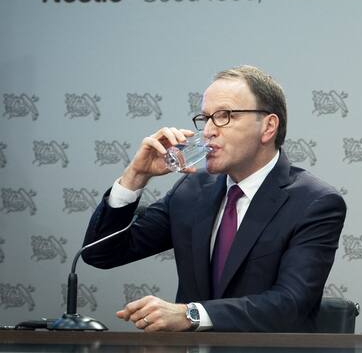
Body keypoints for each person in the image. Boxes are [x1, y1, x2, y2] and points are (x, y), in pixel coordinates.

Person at [82, 65, 346, 332]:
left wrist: (191, 314)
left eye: (224, 116)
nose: (208, 130)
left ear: (268, 127)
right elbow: (101, 253)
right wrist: (135, 176)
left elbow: (291, 303)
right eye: (206, 118)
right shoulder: (192, 191)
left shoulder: (314, 202)